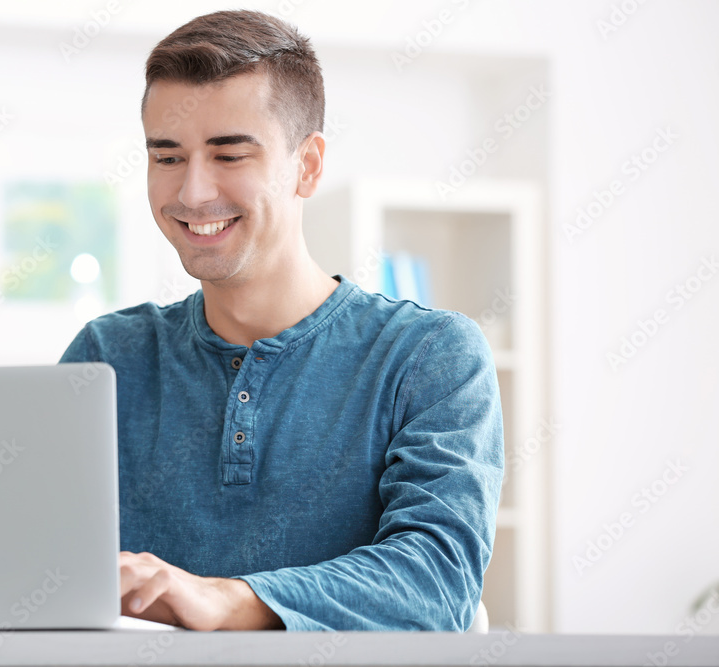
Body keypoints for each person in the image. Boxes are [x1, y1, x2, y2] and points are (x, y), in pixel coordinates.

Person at [59, 9, 503, 632]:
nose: (190, 193)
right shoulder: (107, 355)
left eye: (230, 155)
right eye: (167, 157)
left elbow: (436, 583)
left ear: (308, 166)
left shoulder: (429, 356)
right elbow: (38, 567)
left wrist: (227, 601)